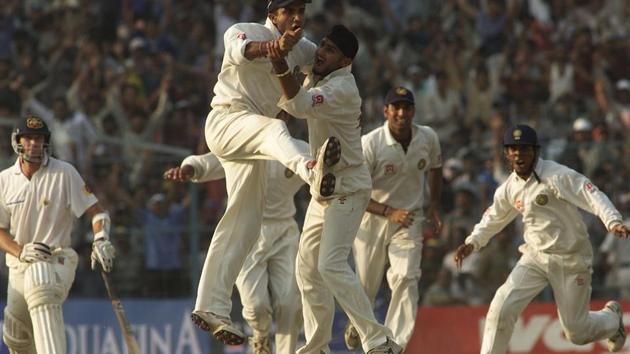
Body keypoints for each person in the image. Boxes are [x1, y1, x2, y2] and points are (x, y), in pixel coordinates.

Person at [193, 0, 343, 345]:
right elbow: (244, 50)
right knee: (276, 133)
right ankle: (313, 170)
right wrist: (275, 48)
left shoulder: (303, 47)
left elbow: (318, 69)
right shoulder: (244, 30)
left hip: (254, 142)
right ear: (272, 12)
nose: (297, 16)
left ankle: (210, 305)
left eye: (301, 10)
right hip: (227, 120)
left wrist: (303, 97)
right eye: (289, 10)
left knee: (243, 222)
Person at [268, 24, 401, 354]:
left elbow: (297, 105)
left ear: (346, 61)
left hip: (349, 186)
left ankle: (379, 340)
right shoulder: (320, 71)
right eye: (322, 46)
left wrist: (280, 62)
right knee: (307, 269)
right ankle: (316, 348)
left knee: (330, 264)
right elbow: (293, 93)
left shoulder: (343, 88)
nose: (321, 53)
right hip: (321, 187)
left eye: (329, 50)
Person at [454, 124, 630, 353]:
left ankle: (611, 319)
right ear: (506, 153)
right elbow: (494, 216)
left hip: (571, 257)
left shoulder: (556, 175)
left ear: (535, 151)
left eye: (524, 149)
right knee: (501, 305)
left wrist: (612, 220)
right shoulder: (509, 188)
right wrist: (472, 242)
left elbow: (589, 192)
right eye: (513, 149)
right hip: (535, 256)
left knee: (577, 333)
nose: (519, 155)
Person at [163, 150, 305, 354]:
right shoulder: (245, 145)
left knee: (290, 304)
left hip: (285, 232)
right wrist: (191, 168)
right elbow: (211, 162)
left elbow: (317, 167)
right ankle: (260, 335)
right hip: (246, 230)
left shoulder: (292, 147)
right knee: (256, 307)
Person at [0, 115, 116, 353]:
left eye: (39, 138)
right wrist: (21, 251)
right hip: (18, 265)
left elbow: (97, 212)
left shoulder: (64, 173)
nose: (34, 143)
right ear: (17, 141)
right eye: (29, 138)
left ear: (46, 142)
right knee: (16, 336)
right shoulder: (4, 180)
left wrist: (101, 239)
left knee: (40, 279)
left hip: (57, 259)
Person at [343, 86, 443, 351]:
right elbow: (356, 192)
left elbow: (435, 167)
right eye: (395, 107)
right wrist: (389, 212)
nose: (401, 113)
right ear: (385, 111)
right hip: (372, 219)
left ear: (413, 111)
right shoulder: (370, 144)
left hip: (410, 219)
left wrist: (433, 205)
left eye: (406, 107)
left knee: (406, 277)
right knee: (365, 288)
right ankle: (359, 322)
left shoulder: (428, 137)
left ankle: (393, 345)